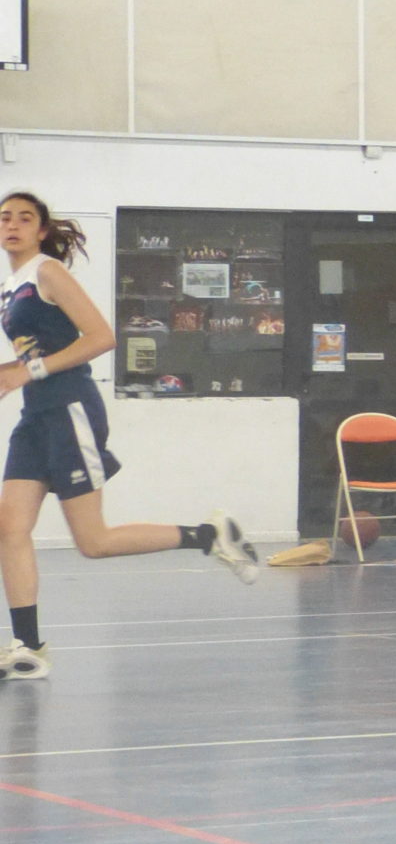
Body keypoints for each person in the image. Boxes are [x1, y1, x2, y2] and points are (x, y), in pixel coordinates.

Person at [0, 191, 259, 681]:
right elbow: (38, 352)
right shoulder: (10, 288)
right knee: (9, 528)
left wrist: (27, 371)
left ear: (41, 230)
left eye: (24, 218)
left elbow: (102, 338)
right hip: (35, 416)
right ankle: (27, 648)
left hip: (70, 408)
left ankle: (209, 536)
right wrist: (11, 370)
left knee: (93, 542)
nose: (12, 225)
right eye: (5, 217)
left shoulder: (47, 273)